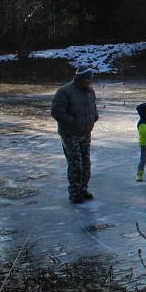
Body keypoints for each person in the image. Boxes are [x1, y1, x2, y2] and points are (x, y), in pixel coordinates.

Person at [51, 66, 99, 203]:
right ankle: (75, 192)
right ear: (80, 79)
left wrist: (94, 116)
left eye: (91, 79)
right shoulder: (65, 92)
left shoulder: (90, 91)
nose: (90, 82)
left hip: (85, 133)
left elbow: (92, 106)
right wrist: (73, 121)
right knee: (75, 164)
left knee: (86, 163)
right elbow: (57, 111)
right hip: (70, 134)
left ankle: (83, 189)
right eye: (87, 79)